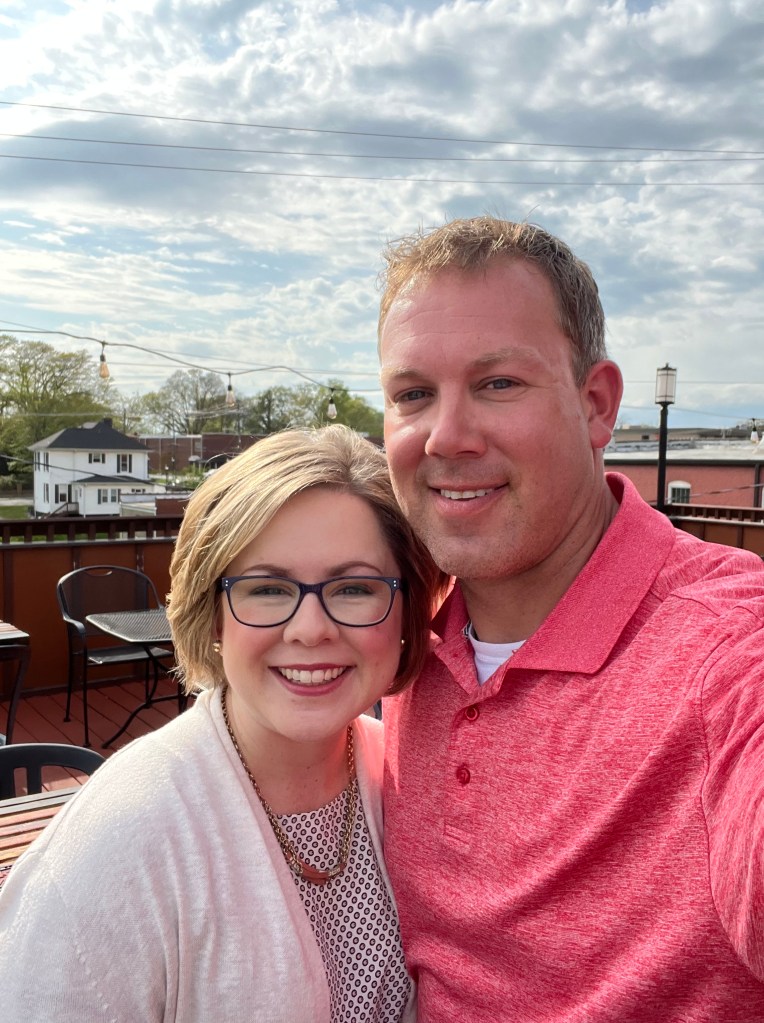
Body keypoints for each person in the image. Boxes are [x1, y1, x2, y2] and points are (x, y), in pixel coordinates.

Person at [377, 216, 764, 1021]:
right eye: (413, 394)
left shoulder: (723, 642)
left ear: (596, 405)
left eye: (498, 383)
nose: (446, 437)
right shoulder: (403, 630)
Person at [0, 425, 443, 1023]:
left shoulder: (410, 775)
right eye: (267, 589)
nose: (310, 629)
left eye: (355, 588)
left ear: (406, 612)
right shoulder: (125, 835)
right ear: (213, 616)